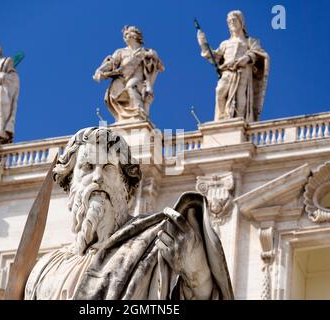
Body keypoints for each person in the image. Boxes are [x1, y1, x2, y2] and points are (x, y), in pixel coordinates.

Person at [24, 127, 233, 300]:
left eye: (108, 168)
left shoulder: (157, 244)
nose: (97, 177)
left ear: (126, 186)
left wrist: (197, 274)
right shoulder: (43, 268)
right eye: (87, 167)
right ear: (70, 183)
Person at [197, 10, 269, 122]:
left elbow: (258, 53)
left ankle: (239, 119)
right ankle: (222, 116)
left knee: (240, 95)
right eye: (229, 21)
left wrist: (246, 58)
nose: (231, 23)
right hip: (227, 71)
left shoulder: (250, 41)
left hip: (243, 70)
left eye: (234, 20)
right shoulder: (225, 44)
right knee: (219, 91)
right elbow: (214, 57)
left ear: (241, 23)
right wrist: (203, 43)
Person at [93, 26, 164, 122]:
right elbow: (110, 63)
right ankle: (127, 119)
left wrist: (153, 57)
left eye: (127, 34)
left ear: (135, 35)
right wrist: (100, 71)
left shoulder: (146, 52)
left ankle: (139, 113)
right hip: (121, 78)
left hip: (138, 79)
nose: (125, 37)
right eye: (124, 35)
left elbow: (160, 68)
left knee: (131, 87)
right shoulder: (121, 52)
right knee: (115, 93)